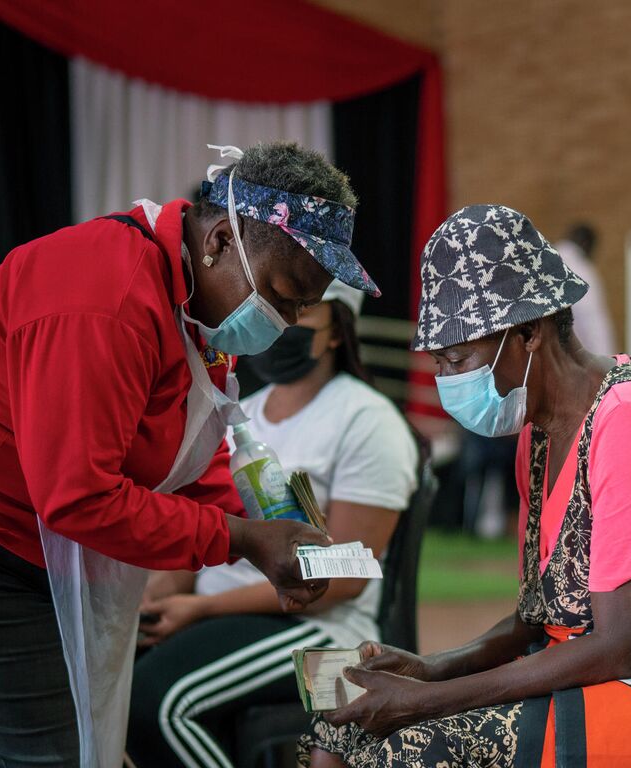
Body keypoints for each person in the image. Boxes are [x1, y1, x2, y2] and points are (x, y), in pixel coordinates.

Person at [0, 142, 377, 766]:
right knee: (53, 751)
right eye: (282, 296)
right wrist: (245, 540)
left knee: (40, 742)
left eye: (305, 308)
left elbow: (182, 460)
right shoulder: (108, 297)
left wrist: (257, 535)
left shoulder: (197, 313)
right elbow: (79, 494)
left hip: (24, 541)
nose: (285, 323)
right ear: (222, 240)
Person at [303, 204, 631, 767]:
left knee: (413, 748)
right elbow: (534, 621)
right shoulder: (539, 433)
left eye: (457, 358)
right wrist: (430, 668)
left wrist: (428, 702)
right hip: (610, 668)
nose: (446, 381)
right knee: (342, 735)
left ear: (527, 333)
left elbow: (623, 647)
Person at [126, 281, 419, 768]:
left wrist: (201, 609)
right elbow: (202, 524)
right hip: (223, 616)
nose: (284, 324)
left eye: (304, 313)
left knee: (156, 705)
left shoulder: (368, 420)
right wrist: (159, 595)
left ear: (334, 334)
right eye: (281, 309)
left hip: (329, 635)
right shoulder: (244, 416)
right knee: (98, 683)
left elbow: (345, 577)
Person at [554, 223, 616, 355]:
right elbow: (594, 324)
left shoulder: (543, 261)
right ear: (586, 244)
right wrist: (609, 364)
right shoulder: (582, 271)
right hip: (572, 361)